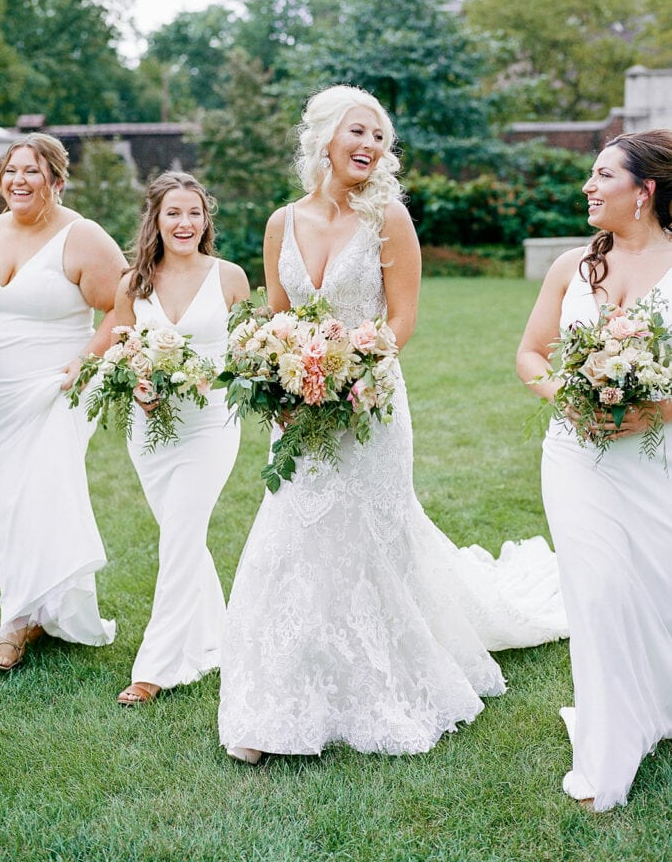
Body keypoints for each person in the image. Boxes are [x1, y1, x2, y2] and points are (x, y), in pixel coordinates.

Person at [218, 85, 568, 764]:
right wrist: (277, 373)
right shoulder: (279, 222)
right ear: (323, 137)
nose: (371, 147)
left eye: (380, 137)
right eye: (359, 132)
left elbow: (401, 318)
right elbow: (278, 318)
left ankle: (381, 683)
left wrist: (352, 370)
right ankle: (273, 705)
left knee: (368, 538)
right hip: (297, 409)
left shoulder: (388, 218)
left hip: (368, 402)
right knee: (289, 535)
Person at [517, 130, 672, 811]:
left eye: (601, 174)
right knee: (600, 592)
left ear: (643, 191)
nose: (587, 185)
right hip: (576, 457)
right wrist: (570, 399)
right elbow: (528, 355)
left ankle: (653, 704)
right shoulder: (569, 267)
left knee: (654, 590)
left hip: (653, 458)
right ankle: (608, 753)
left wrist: (656, 408)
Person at [0, 134, 125, 671]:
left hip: (56, 386)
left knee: (28, 496)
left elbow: (125, 301)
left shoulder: (81, 236)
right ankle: (41, 605)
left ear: (57, 181)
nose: (19, 180)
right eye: (10, 171)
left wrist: (86, 360)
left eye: (33, 171)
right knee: (3, 502)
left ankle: (16, 622)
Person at [113, 172, 248, 705]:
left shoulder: (229, 277)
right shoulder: (134, 284)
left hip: (211, 424)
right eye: (174, 213)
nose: (185, 223)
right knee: (182, 536)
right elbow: (122, 352)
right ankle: (218, 638)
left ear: (206, 219)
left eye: (194, 212)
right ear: (156, 219)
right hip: (151, 432)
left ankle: (155, 668)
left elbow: (250, 355)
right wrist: (137, 387)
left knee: (180, 537)